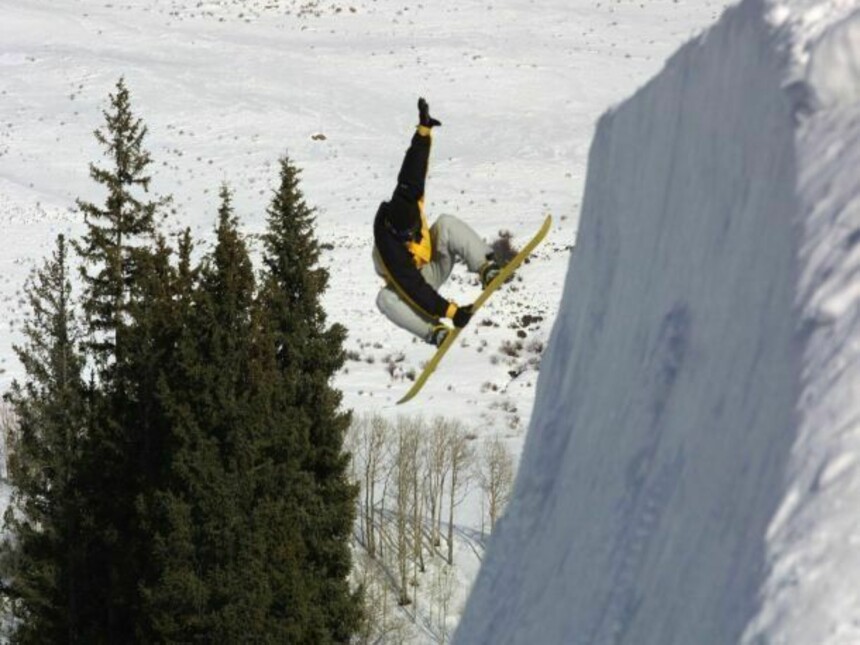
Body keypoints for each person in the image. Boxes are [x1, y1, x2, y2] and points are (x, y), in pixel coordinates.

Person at [373, 98, 502, 347]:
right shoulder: (390, 248)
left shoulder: (409, 195)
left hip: (433, 263)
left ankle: (485, 267)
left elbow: (414, 165)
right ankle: (432, 331)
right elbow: (413, 288)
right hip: (409, 287)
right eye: (406, 236)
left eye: (412, 231)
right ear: (393, 231)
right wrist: (451, 312)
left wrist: (424, 129)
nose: (411, 237)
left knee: (446, 223)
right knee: (383, 300)